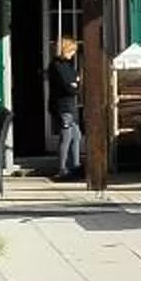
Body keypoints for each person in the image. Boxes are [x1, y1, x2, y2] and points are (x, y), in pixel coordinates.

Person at [46, 35, 81, 181]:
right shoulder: (57, 65)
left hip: (69, 106)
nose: (73, 54)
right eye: (72, 51)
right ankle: (63, 168)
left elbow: (75, 81)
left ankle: (75, 165)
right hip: (63, 106)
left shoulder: (66, 65)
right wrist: (75, 85)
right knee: (66, 137)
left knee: (76, 136)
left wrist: (75, 84)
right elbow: (69, 86)